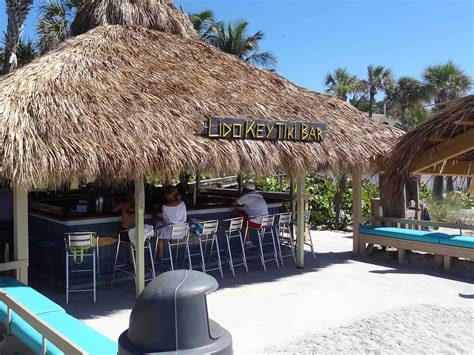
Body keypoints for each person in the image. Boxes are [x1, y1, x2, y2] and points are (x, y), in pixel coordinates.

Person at [155, 186, 187, 261]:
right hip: (182, 231)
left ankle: (161, 255)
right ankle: (175, 254)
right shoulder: (182, 203)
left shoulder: (165, 207)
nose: (165, 196)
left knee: (159, 233)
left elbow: (165, 222)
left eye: (166, 194)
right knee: (161, 227)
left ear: (170, 195)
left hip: (171, 231)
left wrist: (155, 216)